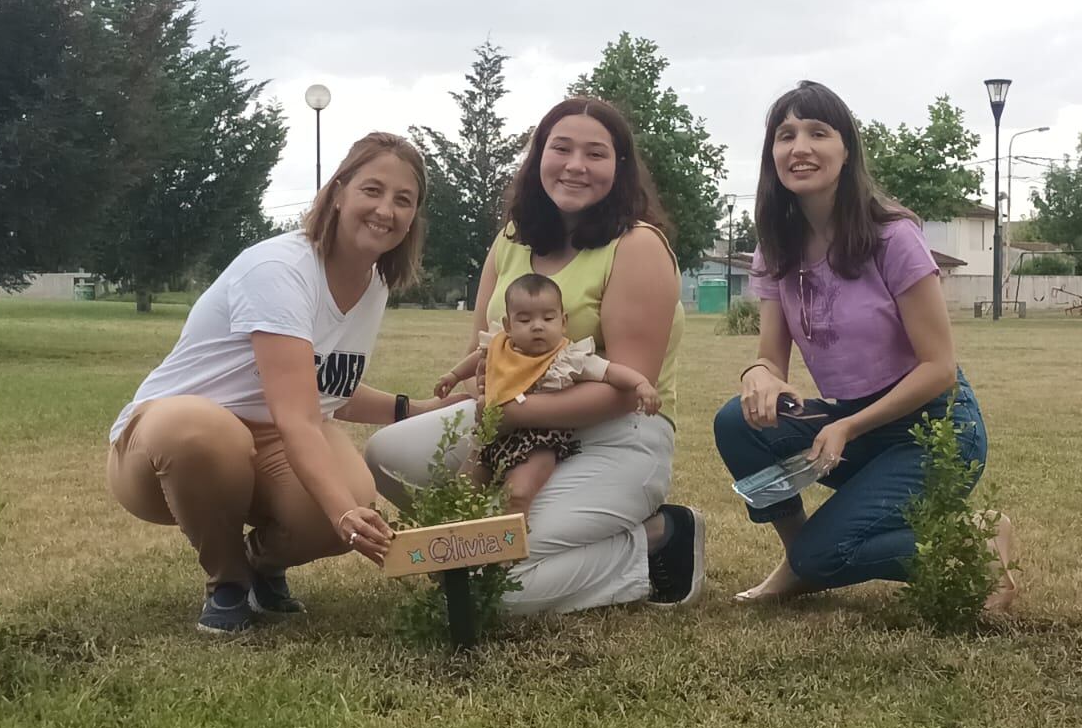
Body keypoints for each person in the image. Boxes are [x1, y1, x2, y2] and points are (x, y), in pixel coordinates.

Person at [105, 132, 463, 634]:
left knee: (354, 493)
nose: (386, 209)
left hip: (272, 436)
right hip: (162, 445)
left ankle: (260, 567)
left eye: (404, 200)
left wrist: (415, 409)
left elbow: (322, 388)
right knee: (205, 432)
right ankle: (227, 583)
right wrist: (343, 516)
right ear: (338, 192)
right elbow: (296, 415)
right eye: (372, 190)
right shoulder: (280, 268)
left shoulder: (375, 283)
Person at [366, 97, 704, 614]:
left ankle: (660, 537)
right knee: (386, 455)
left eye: (596, 154)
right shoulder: (511, 240)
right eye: (561, 148)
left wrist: (509, 411)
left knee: (495, 591)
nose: (575, 165)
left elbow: (627, 390)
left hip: (618, 435)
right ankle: (483, 534)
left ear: (620, 168)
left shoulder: (637, 246)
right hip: (508, 421)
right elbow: (483, 351)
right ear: (537, 156)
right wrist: (480, 402)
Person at [714, 81, 1014, 606]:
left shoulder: (892, 238)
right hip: (850, 426)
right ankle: (799, 562)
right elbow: (770, 358)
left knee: (828, 555)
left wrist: (847, 426)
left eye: (817, 132)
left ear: (846, 149)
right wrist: (756, 374)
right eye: (785, 135)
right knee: (737, 422)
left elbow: (940, 368)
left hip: (932, 429)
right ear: (772, 154)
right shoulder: (776, 247)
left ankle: (978, 537)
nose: (799, 147)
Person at [435, 272, 661, 516]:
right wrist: (453, 375)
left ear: (563, 322)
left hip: (540, 440)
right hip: (491, 436)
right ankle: (461, 540)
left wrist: (640, 384)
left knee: (518, 493)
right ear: (508, 325)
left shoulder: (567, 358)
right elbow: (478, 358)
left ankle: (512, 543)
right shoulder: (499, 346)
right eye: (524, 320)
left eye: (548, 317)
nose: (538, 326)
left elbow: (609, 372)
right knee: (462, 490)